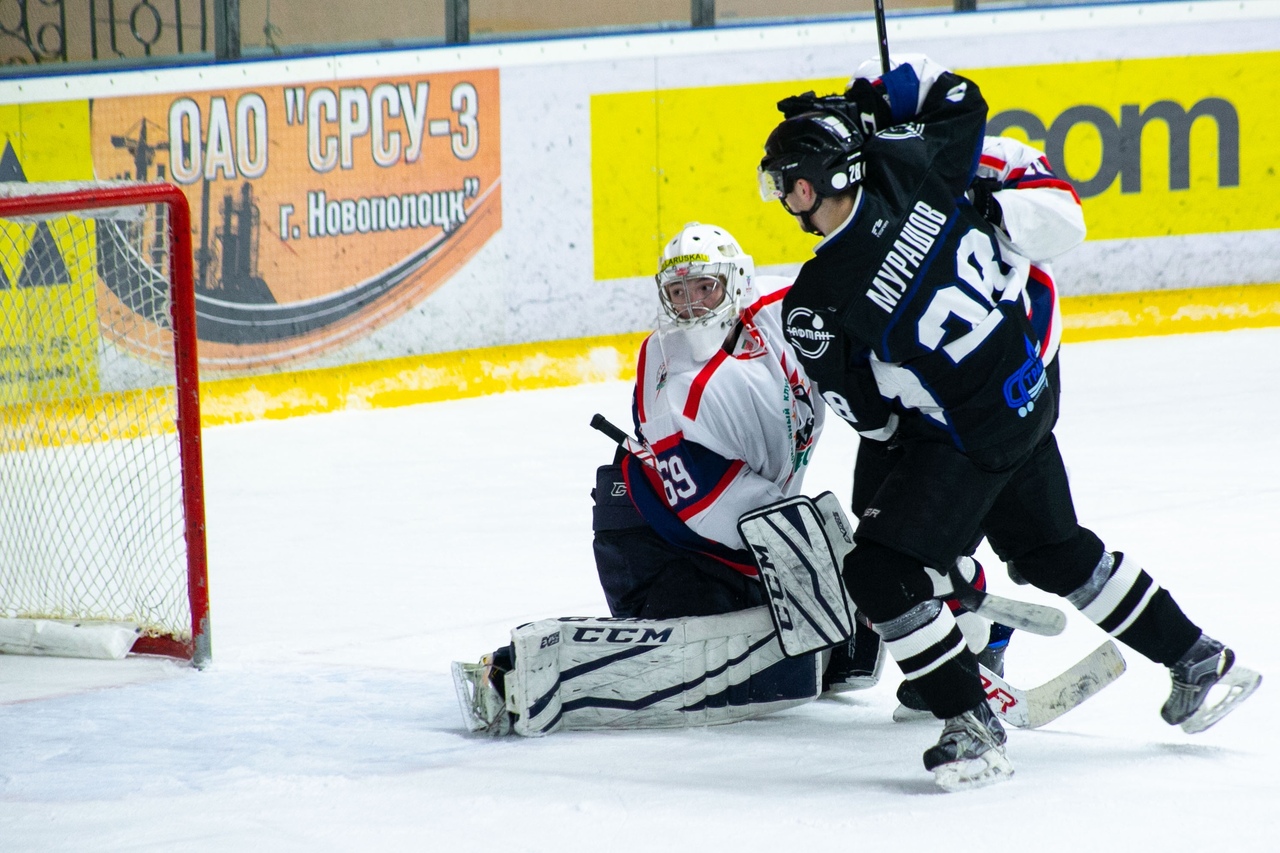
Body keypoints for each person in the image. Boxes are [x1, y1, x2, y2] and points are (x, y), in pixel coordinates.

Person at [756, 54, 1260, 790]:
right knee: (1052, 549)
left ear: (806, 188)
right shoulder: (917, 164)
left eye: (783, 187)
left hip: (975, 433)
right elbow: (960, 95)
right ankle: (1196, 657)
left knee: (882, 568)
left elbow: (873, 418)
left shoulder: (816, 298)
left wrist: (928, 496)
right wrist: (869, 101)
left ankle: (970, 719)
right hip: (1031, 389)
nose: (781, 201)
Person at [452, 222, 883, 737]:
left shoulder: (782, 316)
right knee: (705, 653)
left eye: (705, 287)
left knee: (816, 647)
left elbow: (859, 287)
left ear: (738, 282)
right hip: (652, 535)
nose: (692, 306)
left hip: (718, 525)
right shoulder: (679, 386)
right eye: (677, 293)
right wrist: (833, 569)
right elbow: (727, 518)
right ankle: (511, 671)